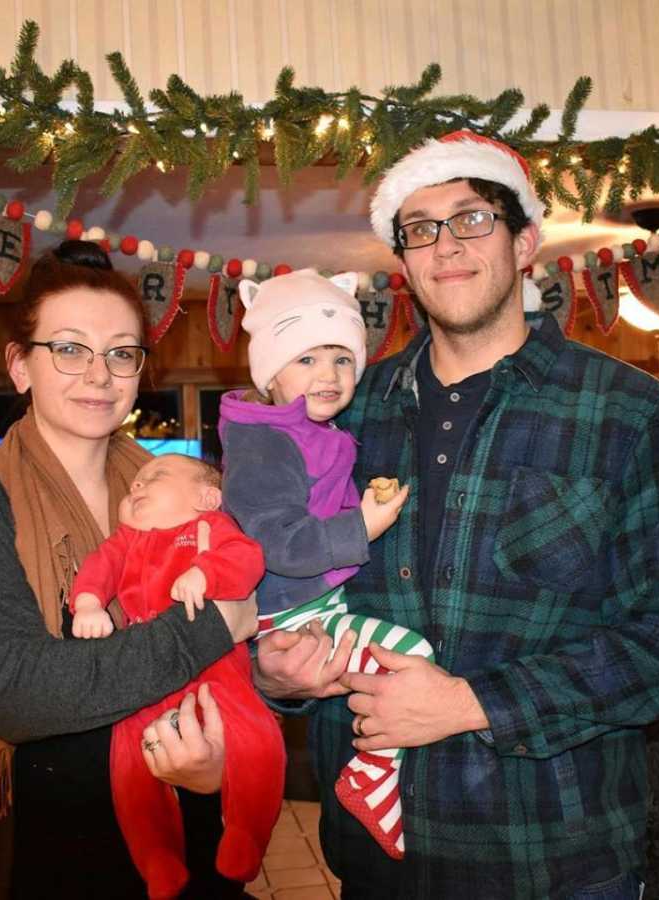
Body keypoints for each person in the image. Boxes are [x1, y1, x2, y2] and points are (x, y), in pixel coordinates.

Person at [253, 132, 659, 899]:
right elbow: (277, 576)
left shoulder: (630, 414)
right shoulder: (341, 416)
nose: (446, 246)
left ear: (526, 239)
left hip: (557, 861)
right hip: (375, 863)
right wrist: (278, 675)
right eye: (421, 228)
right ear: (401, 259)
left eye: (471, 219)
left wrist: (468, 705)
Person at [0, 241, 259, 900]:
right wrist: (212, 627)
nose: (99, 375)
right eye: (69, 349)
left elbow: (250, 651)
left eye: (122, 353)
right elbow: (16, 692)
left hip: (188, 844)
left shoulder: (186, 495)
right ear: (20, 366)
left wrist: (226, 759)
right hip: (46, 855)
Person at [218, 268, 431, 859]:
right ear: (270, 371)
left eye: (342, 359)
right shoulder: (264, 441)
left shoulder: (307, 428)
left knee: (388, 664)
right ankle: (371, 775)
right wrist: (361, 525)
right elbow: (275, 542)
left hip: (312, 605)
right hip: (294, 614)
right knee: (412, 657)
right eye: (306, 359)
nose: (329, 376)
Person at [69, 453, 285, 898]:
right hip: (142, 679)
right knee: (128, 770)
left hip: (217, 674)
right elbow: (98, 568)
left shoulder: (211, 529)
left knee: (261, 742)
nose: (138, 487)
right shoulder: (126, 539)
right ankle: (156, 857)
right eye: (135, 485)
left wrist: (205, 572)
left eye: (156, 477)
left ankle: (246, 833)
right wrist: (88, 603)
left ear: (207, 498)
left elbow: (248, 558)